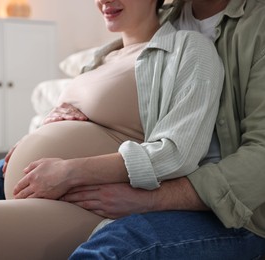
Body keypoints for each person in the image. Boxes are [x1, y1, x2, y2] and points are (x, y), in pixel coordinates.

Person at [0, 0, 224, 259]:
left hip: (84, 204)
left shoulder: (187, 50)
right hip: (31, 186)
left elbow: (178, 152)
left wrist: (69, 169)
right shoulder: (100, 57)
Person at [68, 0, 265, 258]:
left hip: (238, 219)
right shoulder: (163, 19)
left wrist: (151, 200)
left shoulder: (257, 24)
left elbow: (261, 157)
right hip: (144, 181)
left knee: (121, 243)